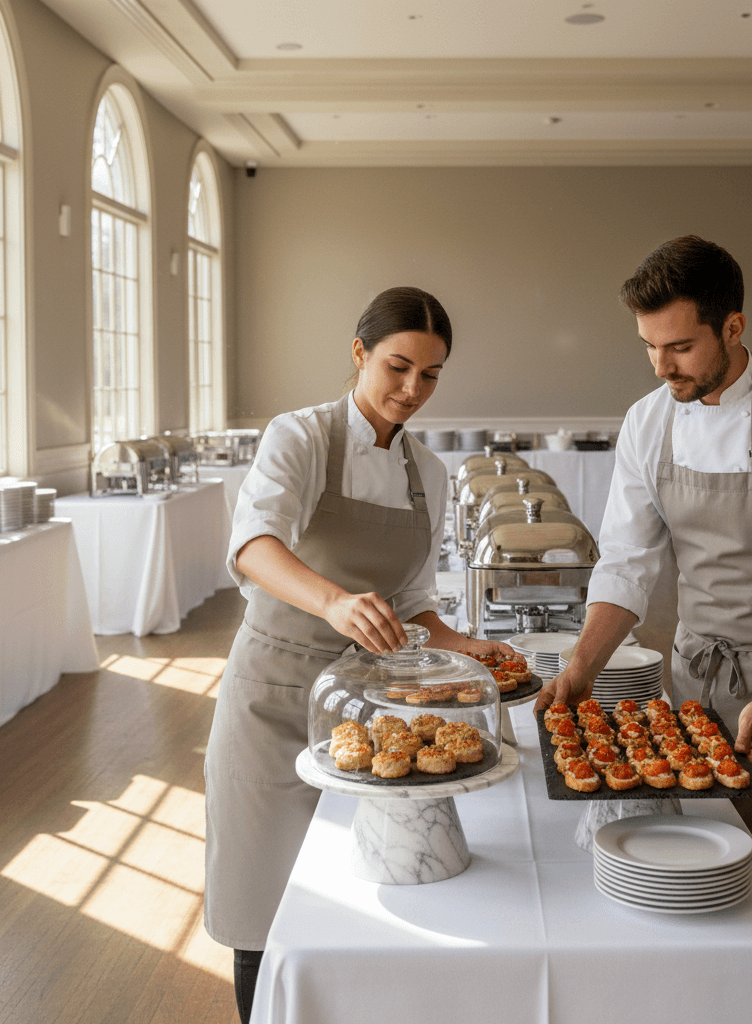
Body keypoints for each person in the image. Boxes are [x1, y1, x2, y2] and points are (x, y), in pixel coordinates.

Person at [536, 236, 752, 1024]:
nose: (662, 367)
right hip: (691, 685)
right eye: (650, 347)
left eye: (680, 346)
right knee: (687, 892)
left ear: (734, 328)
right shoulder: (649, 422)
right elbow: (626, 564)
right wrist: (582, 669)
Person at [204, 286, 513, 1023]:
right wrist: (335, 602)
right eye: (398, 367)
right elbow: (253, 545)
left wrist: (472, 649)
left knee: (362, 902)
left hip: (370, 715)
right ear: (359, 354)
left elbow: (411, 605)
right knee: (261, 907)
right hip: (273, 698)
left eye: (431, 375)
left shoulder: (427, 476)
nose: (413, 390)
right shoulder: (302, 437)